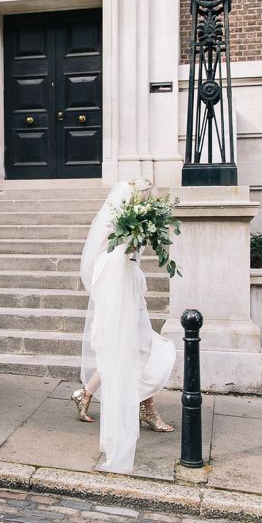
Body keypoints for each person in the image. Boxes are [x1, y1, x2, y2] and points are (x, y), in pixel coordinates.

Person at [71, 178, 175, 474]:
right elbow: (106, 256)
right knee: (132, 351)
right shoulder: (121, 226)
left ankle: (89, 394)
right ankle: (147, 410)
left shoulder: (133, 224)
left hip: (130, 295)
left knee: (137, 351)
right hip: (121, 296)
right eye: (147, 199)